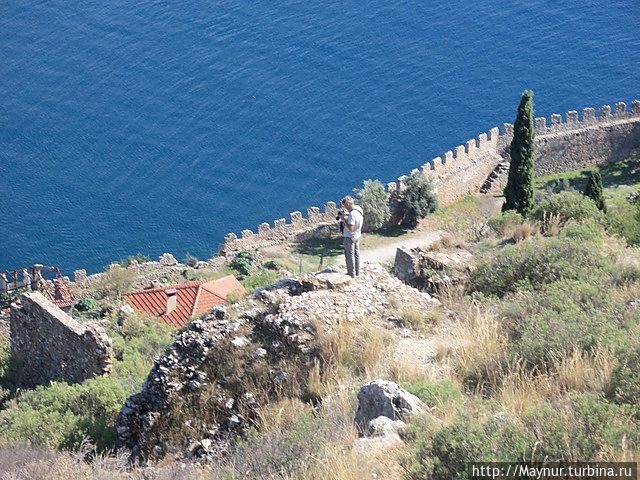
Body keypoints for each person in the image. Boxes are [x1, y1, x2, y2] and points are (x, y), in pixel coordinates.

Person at [339, 196, 363, 277]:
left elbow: (351, 228)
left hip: (350, 237)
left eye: (345, 205)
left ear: (349, 204)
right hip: (357, 235)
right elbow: (355, 218)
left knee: (349, 255)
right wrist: (347, 214)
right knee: (356, 254)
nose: (345, 207)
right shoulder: (358, 209)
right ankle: (357, 272)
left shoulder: (352, 214)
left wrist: (343, 218)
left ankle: (351, 274)